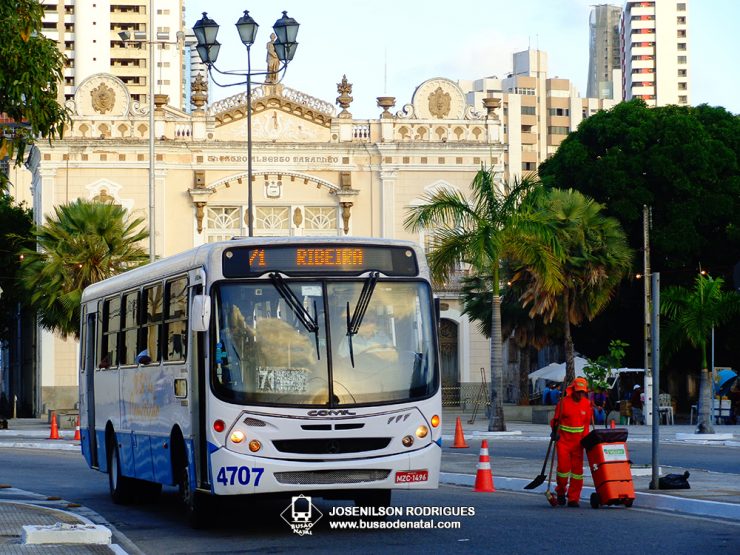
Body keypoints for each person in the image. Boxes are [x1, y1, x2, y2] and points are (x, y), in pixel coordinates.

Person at [550, 377, 592, 507]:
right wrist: (554, 431)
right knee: (563, 470)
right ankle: (561, 491)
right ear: (572, 390)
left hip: (578, 444)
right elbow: (555, 421)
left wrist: (587, 441)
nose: (580, 394)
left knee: (577, 473)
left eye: (582, 392)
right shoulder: (563, 403)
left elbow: (586, 425)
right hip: (563, 442)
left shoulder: (586, 404)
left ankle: (574, 498)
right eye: (578, 391)